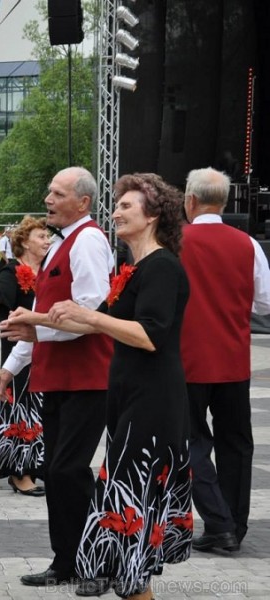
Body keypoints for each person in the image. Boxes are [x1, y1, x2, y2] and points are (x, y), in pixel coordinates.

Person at [9, 173, 194, 599]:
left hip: (153, 403)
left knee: (132, 503)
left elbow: (149, 334)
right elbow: (82, 316)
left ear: (152, 216)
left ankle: (118, 579)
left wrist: (91, 317)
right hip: (131, 399)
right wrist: (33, 324)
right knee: (128, 505)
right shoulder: (135, 269)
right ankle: (116, 577)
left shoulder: (163, 266)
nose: (115, 212)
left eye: (126, 206)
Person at [0, 167, 114, 588]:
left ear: (82, 202)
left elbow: (90, 311)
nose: (47, 199)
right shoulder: (61, 244)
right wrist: (11, 367)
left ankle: (97, 560)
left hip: (87, 377)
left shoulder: (89, 241)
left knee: (68, 470)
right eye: (49, 192)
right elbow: (38, 321)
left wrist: (37, 327)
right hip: (58, 377)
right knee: (56, 471)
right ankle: (66, 560)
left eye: (57, 193)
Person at [181, 167, 270, 552]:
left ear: (190, 200)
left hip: (188, 360)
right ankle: (235, 522)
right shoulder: (248, 244)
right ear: (226, 201)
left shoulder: (174, 242)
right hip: (233, 358)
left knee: (190, 440)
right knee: (237, 442)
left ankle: (218, 521)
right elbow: (265, 303)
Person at [0, 216, 49, 495]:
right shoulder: (13, 272)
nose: (47, 241)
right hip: (20, 350)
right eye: (41, 236)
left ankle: (40, 465)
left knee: (43, 411)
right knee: (22, 408)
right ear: (24, 242)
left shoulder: (49, 270)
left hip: (49, 347)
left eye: (47, 237)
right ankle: (20, 472)